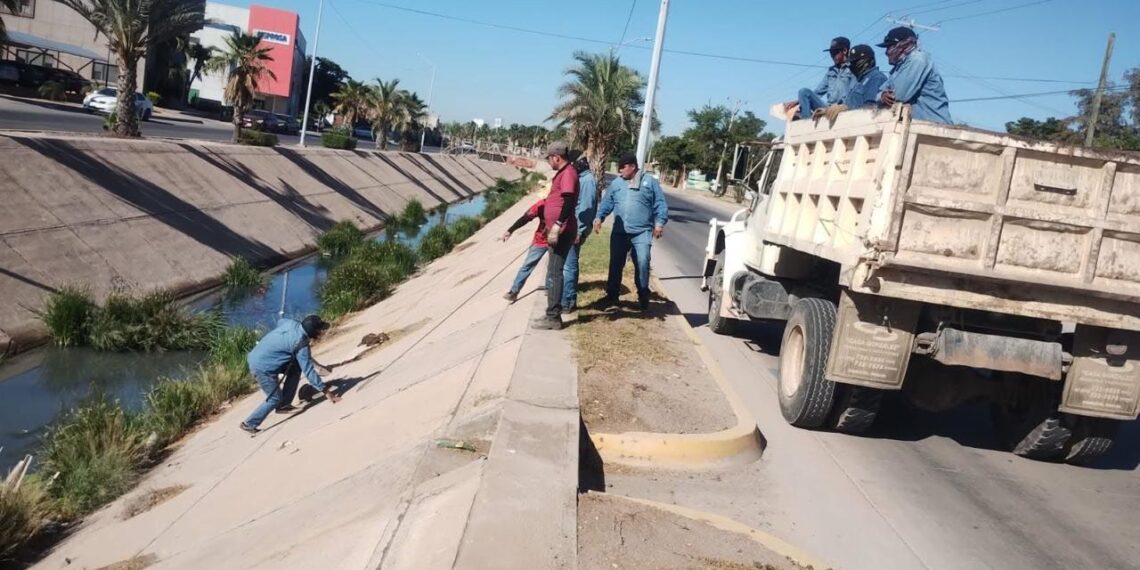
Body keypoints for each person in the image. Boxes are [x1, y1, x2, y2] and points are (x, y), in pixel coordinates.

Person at [593, 153, 668, 312]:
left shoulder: (650, 183)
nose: (620, 170)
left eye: (623, 167)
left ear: (633, 167)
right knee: (615, 264)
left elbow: (660, 204)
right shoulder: (617, 183)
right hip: (620, 233)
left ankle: (643, 296)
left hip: (641, 232)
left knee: (642, 262)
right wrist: (599, 217)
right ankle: (612, 297)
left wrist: (659, 224)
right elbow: (607, 203)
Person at [240, 315, 340, 434]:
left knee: (295, 368)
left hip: (261, 356)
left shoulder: (291, 323)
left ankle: (284, 405)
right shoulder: (301, 344)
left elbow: (280, 321)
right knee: (274, 398)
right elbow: (308, 370)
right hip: (262, 367)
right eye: (320, 330)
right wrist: (326, 392)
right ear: (313, 331)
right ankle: (249, 423)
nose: (322, 332)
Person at [534, 141, 579, 330]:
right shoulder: (563, 173)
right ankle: (552, 313)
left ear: (556, 157)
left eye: (549, 158)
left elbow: (568, 202)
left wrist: (558, 224)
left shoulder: (568, 173)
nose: (549, 162)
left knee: (554, 272)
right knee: (554, 271)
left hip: (562, 231)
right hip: (558, 230)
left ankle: (553, 317)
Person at [876, 26, 952, 124]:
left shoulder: (918, 59)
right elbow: (879, 93)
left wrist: (883, 97)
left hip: (933, 127)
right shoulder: (899, 67)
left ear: (903, 45)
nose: (886, 52)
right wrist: (882, 96)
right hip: (917, 127)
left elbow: (898, 96)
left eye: (889, 46)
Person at [812, 44, 889, 122]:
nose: (851, 66)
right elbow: (848, 101)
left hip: (864, 127)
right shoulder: (858, 82)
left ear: (867, 61)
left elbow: (870, 108)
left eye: (855, 62)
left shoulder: (876, 78)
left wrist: (847, 108)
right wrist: (828, 110)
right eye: (851, 63)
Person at [562, 151, 598, 312]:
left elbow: (586, 209)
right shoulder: (581, 179)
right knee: (567, 265)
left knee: (570, 266)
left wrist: (579, 231)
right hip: (571, 227)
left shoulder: (588, 181)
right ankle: (566, 297)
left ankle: (568, 302)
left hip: (576, 230)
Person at [786, 36, 855, 120]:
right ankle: (806, 123)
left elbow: (853, 93)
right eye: (831, 53)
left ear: (844, 51)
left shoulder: (853, 69)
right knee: (803, 92)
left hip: (842, 107)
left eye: (835, 53)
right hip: (828, 107)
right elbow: (818, 92)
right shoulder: (831, 71)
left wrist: (841, 106)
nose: (832, 56)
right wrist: (799, 101)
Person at [502, 199, 549, 302]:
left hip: (558, 241)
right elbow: (526, 218)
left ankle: (550, 288)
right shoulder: (541, 204)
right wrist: (510, 230)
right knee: (527, 265)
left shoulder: (565, 202)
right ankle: (514, 291)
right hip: (540, 241)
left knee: (553, 266)